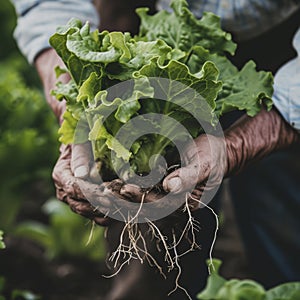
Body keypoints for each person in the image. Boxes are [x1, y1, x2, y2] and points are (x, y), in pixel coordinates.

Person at [11, 0, 300, 299]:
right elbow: (47, 4)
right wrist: (76, 109)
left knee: (280, 210)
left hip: (285, 44)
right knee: (149, 230)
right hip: (145, 28)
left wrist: (246, 142)